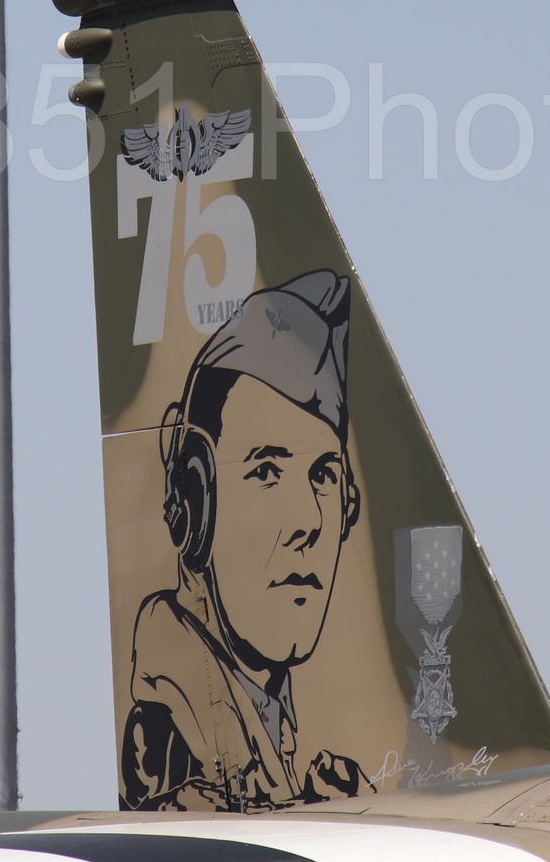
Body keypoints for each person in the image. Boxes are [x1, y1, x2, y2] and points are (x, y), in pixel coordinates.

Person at [120, 268, 370, 811]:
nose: (309, 521)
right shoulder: (183, 744)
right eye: (265, 471)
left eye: (323, 475)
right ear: (196, 498)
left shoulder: (278, 732)